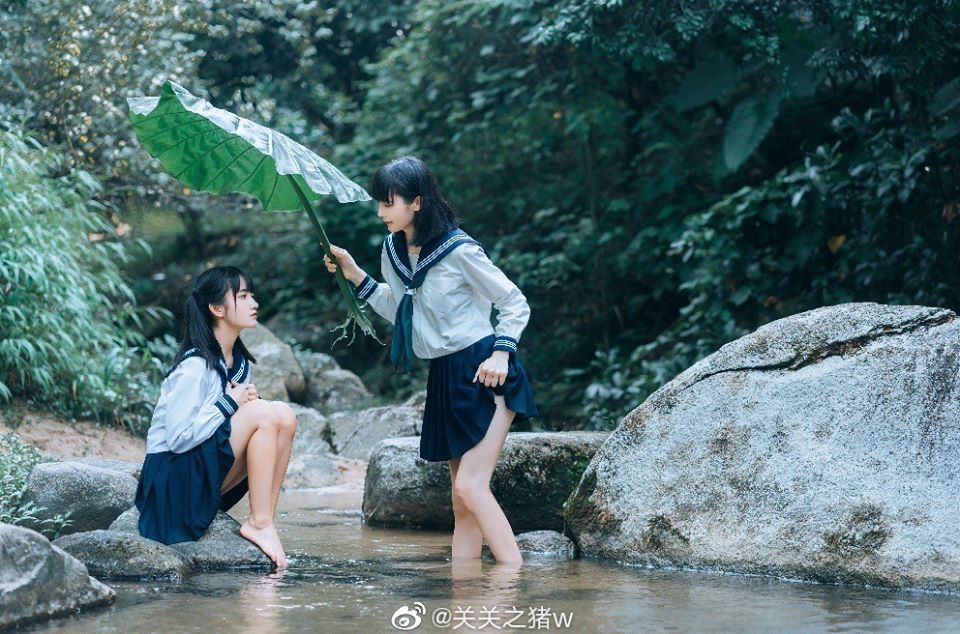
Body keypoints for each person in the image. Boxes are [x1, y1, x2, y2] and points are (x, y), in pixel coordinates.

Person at [323, 156, 538, 562]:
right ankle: (465, 592)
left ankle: (513, 582)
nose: (380, 212)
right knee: (461, 503)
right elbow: (401, 309)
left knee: (471, 487)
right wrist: (353, 273)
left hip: (484, 370)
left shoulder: (459, 250)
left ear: (417, 202)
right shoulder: (393, 250)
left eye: (388, 202)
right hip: (442, 374)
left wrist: (501, 354)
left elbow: (513, 302)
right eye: (380, 202)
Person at [135, 266, 297, 568]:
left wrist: (238, 404)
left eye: (251, 295)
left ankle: (264, 521)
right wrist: (229, 403)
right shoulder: (194, 366)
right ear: (217, 308)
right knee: (264, 413)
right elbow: (178, 439)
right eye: (243, 296)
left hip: (198, 475)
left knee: (285, 416)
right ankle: (260, 523)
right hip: (169, 488)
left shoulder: (236, 363)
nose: (254, 303)